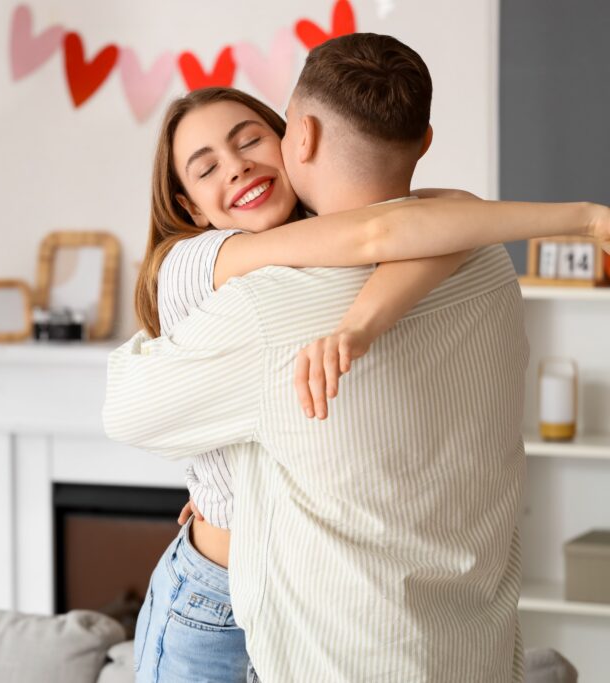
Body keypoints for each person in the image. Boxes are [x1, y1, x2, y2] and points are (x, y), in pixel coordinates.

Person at [106, 33, 610, 682]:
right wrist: (586, 220)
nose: (233, 166)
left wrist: (363, 322)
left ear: (295, 140)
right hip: (214, 586)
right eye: (204, 168)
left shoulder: (321, 257)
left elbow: (442, 220)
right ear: (187, 206)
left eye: (249, 139)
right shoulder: (205, 266)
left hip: (273, 577)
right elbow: (394, 227)